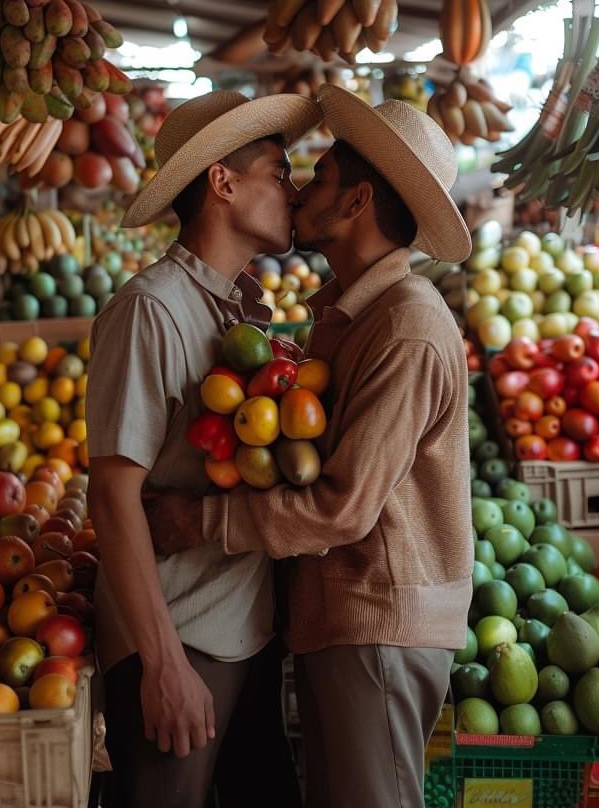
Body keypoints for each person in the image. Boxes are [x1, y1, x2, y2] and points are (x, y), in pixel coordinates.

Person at [145, 83, 475, 808]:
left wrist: (197, 521)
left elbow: (343, 508)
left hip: (379, 623)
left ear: (357, 202)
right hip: (345, 618)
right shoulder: (349, 315)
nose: (298, 193)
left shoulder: (407, 326)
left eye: (319, 177)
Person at [87, 89, 322, 808]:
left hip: (245, 631)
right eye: (278, 174)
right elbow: (111, 494)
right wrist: (162, 665)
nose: (294, 191)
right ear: (222, 182)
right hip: (181, 636)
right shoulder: (151, 309)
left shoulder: (241, 308)